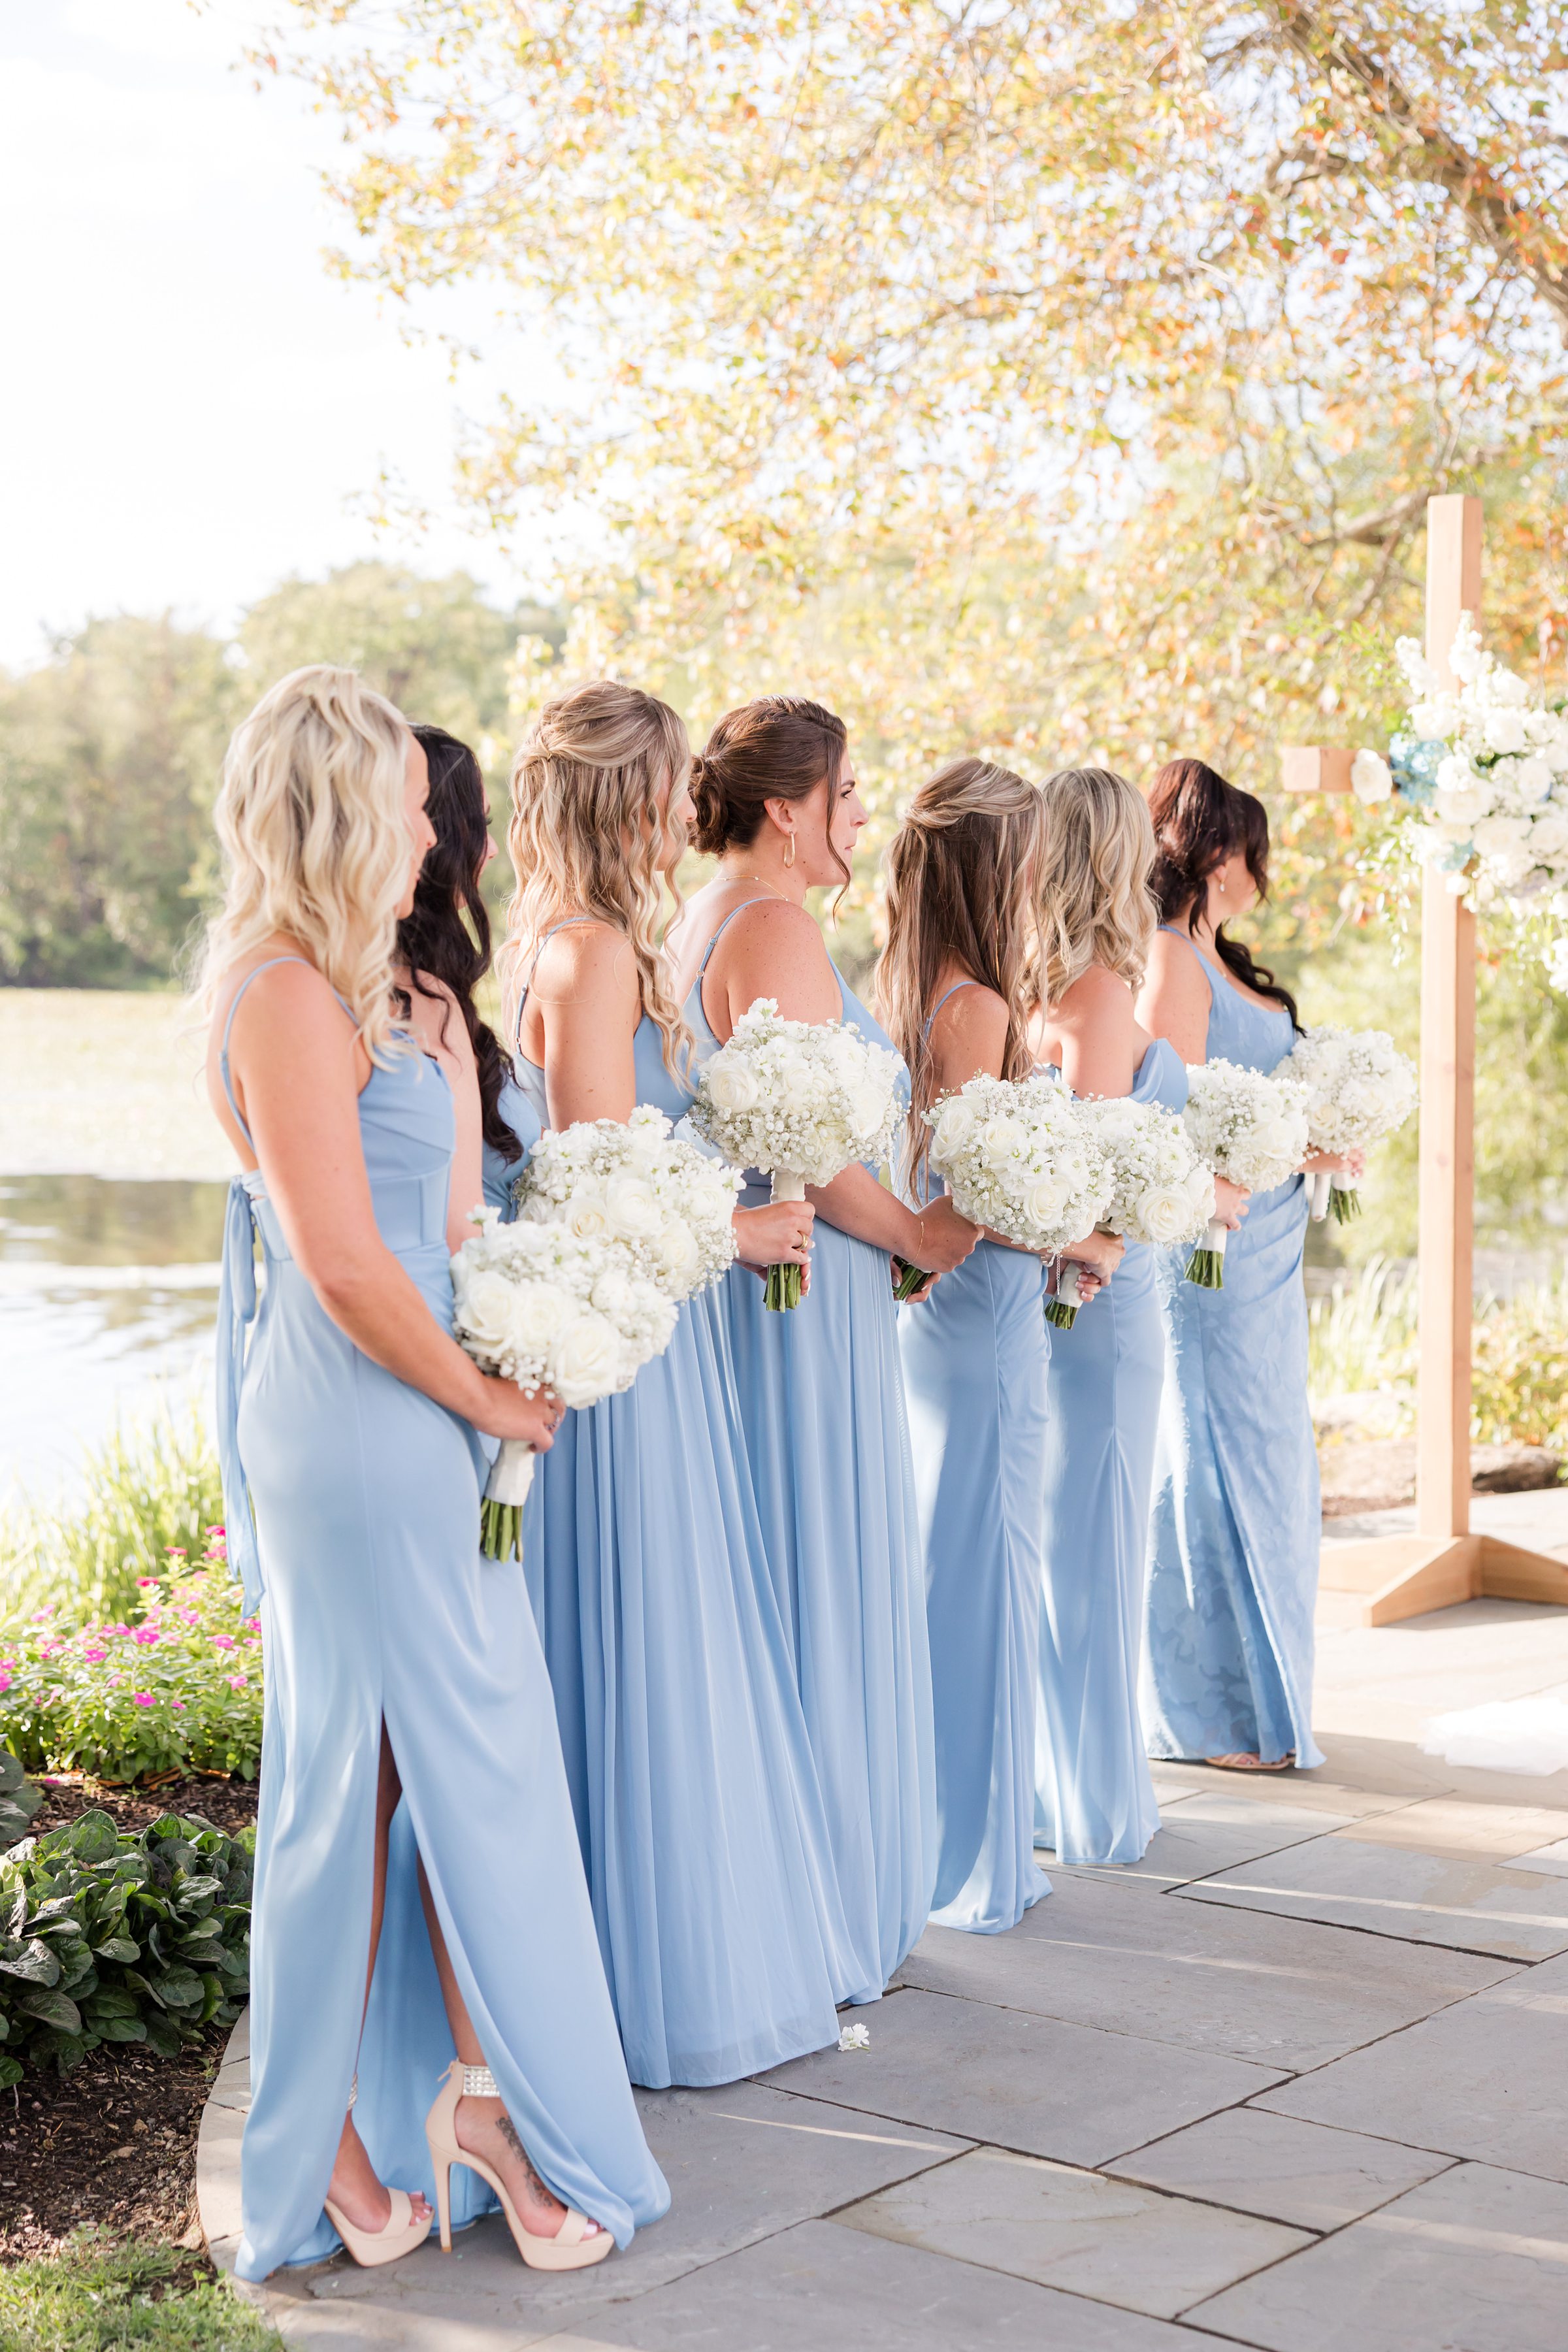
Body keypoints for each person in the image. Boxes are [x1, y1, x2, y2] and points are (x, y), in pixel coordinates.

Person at [204, 666, 666, 2281]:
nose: (430, 831)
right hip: (352, 1421)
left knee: (429, 1775)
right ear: (339, 813)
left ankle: (451, 2113)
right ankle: (366, 2137)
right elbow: (340, 1260)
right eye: (406, 804)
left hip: (441, 1408)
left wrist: (541, 1344)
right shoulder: (279, 996)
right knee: (368, 1780)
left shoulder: (412, 1004)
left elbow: (461, 1227)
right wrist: (476, 1392)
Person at [498, 678, 855, 2086]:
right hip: (631, 1354)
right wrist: (741, 1228)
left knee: (670, 1638)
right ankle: (648, 1984)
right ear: (616, 802)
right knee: (650, 1641)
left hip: (658, 1336)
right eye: (659, 790)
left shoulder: (588, 941)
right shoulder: (587, 955)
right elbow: (592, 1184)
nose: (677, 812)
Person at [670, 699, 970, 1994]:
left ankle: (794, 1891)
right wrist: (914, 1232)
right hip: (801, 1301)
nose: (859, 814)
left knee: (795, 1563)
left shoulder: (708, 914)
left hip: (788, 1282)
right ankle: (826, 1895)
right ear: (787, 810)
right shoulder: (774, 924)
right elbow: (809, 1145)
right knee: (820, 1567)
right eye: (846, 793)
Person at [879, 757, 1116, 1933]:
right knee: (981, 1573)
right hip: (983, 1316)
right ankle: (966, 1856)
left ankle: (958, 1839)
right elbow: (973, 1192)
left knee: (965, 1565)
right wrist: (1084, 1229)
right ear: (993, 865)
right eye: (1025, 852)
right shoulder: (974, 1006)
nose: (1039, 872)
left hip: (970, 1318)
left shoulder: (921, 984)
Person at [1137, 757, 1352, 1772]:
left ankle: (1265, 1701)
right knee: (1211, 1458)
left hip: (1268, 1259)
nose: (1264, 870)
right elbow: (1172, 1120)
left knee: (1272, 1462)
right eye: (1256, 850)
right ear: (1220, 854)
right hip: (1210, 1259)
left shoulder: (1222, 959)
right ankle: (1213, 1713)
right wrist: (1297, 1148)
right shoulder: (1170, 961)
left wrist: (1327, 1131)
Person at [1028, 766, 1223, 1865]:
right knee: (1099, 1544)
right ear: (1113, 859)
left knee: (1069, 1539)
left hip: (1066, 1300)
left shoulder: (1031, 984)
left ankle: (1058, 1785)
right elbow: (1094, 1171)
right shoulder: (1104, 991)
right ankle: (1091, 1801)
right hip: (1103, 1300)